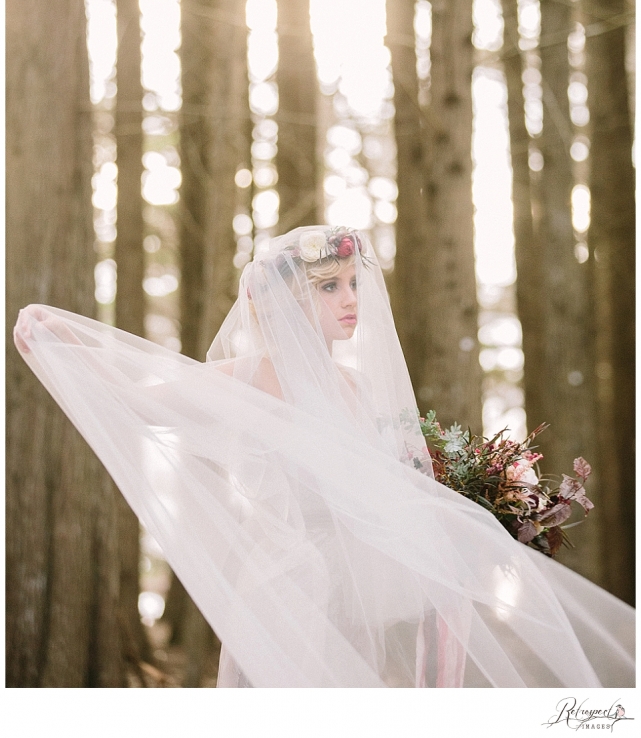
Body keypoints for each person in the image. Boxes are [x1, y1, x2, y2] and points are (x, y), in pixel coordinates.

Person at [14, 225, 635, 687]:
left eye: (353, 284)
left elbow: (397, 490)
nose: (350, 300)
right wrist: (62, 342)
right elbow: (139, 399)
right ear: (287, 300)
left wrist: (479, 511)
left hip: (359, 595)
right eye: (329, 287)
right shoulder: (250, 376)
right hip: (285, 587)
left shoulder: (360, 387)